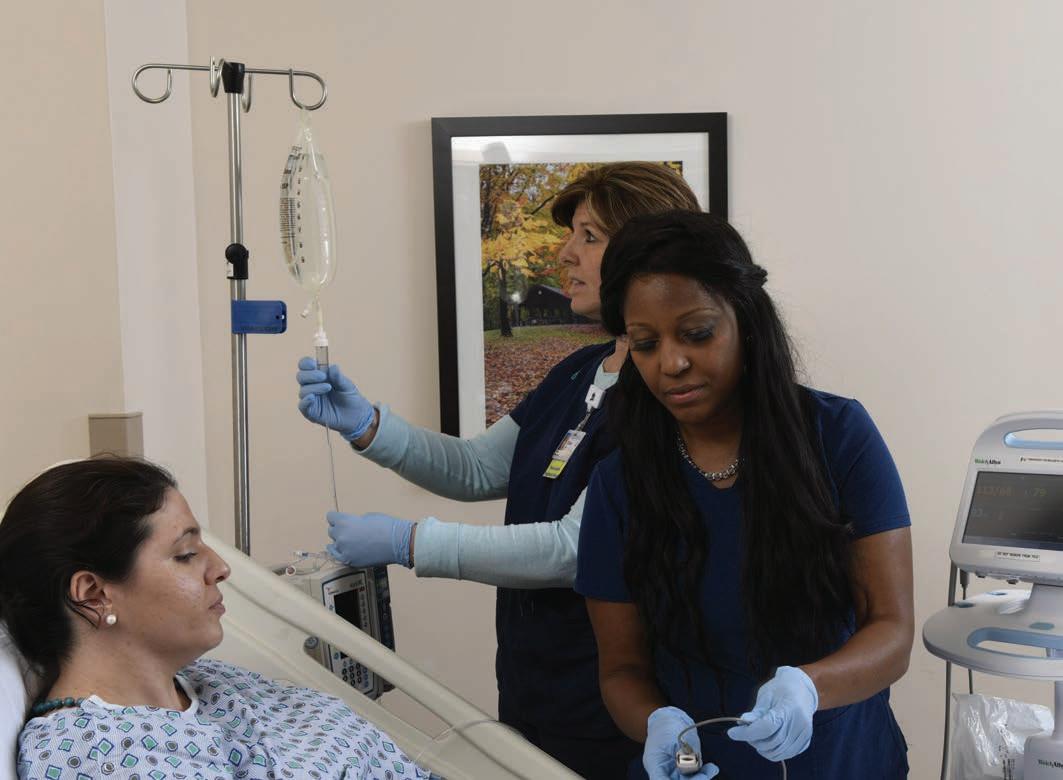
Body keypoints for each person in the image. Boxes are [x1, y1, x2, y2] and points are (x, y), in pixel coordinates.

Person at [295, 163, 701, 778]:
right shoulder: (579, 371)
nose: (566, 253)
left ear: (647, 251)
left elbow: (576, 548)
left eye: (590, 236)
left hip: (624, 697)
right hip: (536, 681)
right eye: (571, 235)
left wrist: (410, 542)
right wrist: (369, 426)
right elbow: (478, 467)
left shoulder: (670, 392)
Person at [575, 210, 914, 779]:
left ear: (746, 321)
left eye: (697, 333)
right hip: (700, 765)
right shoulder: (621, 482)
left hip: (843, 759)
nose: (671, 363)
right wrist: (660, 726)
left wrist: (809, 687)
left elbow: (893, 630)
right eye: (646, 344)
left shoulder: (838, 437)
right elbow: (621, 670)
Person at [0, 457, 432, 780]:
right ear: (93, 594)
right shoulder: (92, 755)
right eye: (186, 554)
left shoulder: (210, 683)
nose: (221, 568)